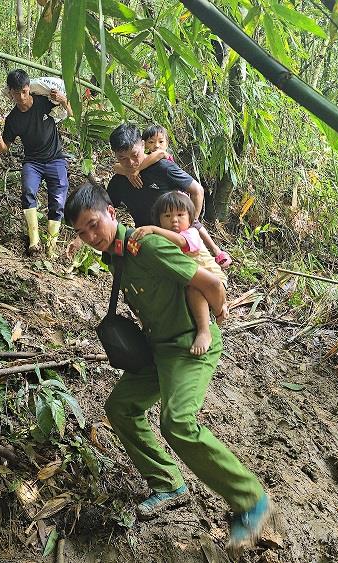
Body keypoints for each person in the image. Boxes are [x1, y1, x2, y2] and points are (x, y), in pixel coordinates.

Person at [64, 183, 271, 553]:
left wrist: (215, 318)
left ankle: (251, 501)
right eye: (82, 232)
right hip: (157, 351)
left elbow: (209, 283)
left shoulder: (150, 247)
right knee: (121, 408)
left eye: (94, 225)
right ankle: (167, 483)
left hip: (189, 348)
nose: (90, 236)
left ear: (112, 213)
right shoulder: (118, 257)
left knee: (177, 422)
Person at [106, 123, 231, 268]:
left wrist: (190, 226)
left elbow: (197, 190)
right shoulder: (119, 180)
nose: (131, 163)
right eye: (123, 158)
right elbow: (105, 209)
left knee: (212, 281)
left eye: (135, 155)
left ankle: (216, 252)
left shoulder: (162, 168)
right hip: (149, 243)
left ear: (142, 144)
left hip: (180, 242)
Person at [131, 191, 227, 356]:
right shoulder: (165, 238)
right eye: (167, 215)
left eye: (180, 215)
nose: (174, 220)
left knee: (193, 288)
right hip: (191, 279)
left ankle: (205, 331)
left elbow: (182, 243)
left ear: (190, 218)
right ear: (159, 219)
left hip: (212, 280)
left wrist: (153, 229)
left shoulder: (191, 233)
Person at [0, 69, 72, 256]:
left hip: (56, 158)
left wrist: (63, 100)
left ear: (28, 88)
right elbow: (5, 146)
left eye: (24, 92)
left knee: (58, 200)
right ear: (11, 93)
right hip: (33, 162)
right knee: (28, 191)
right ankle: (34, 241)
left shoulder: (43, 102)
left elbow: (70, 114)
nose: (21, 97)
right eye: (16, 93)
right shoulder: (12, 119)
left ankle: (52, 246)